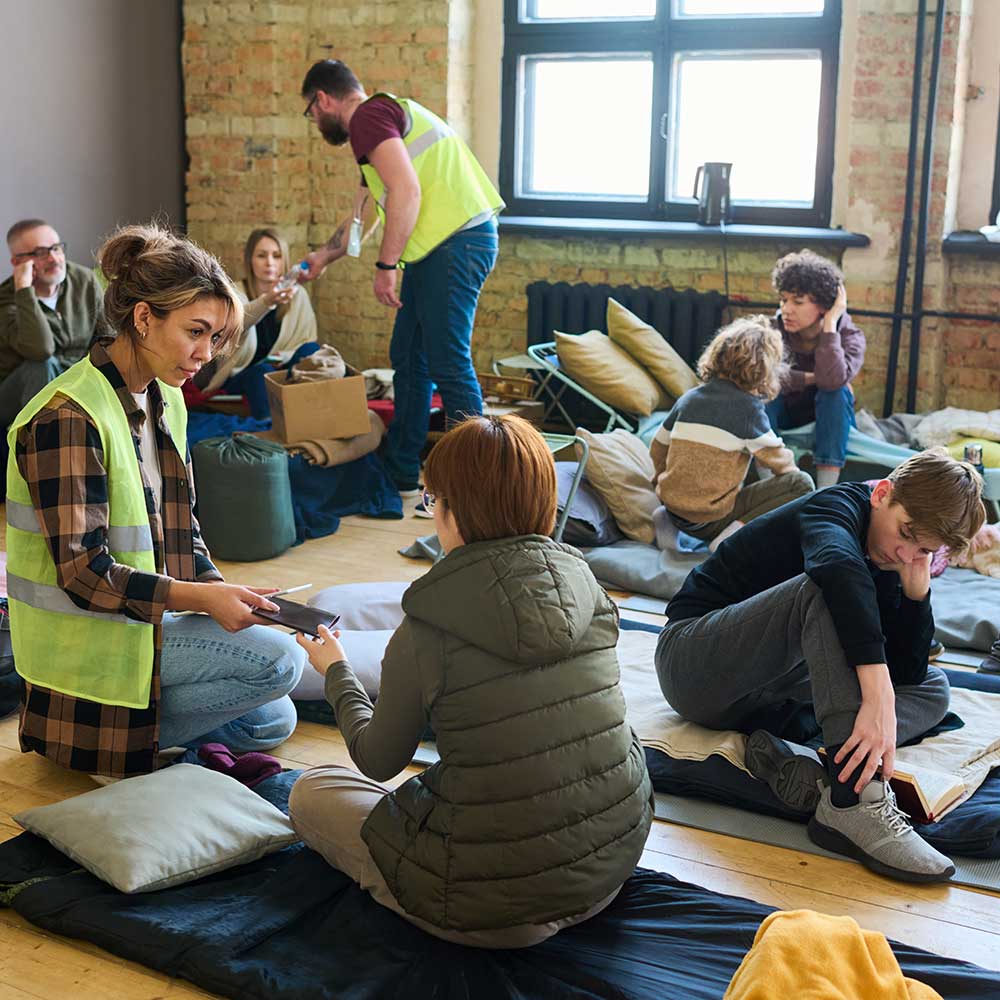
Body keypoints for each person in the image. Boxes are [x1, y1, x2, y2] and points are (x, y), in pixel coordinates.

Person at [288, 414, 653, 947]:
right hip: (611, 867)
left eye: (434, 501)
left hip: (495, 913)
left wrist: (337, 671)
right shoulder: (587, 584)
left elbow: (378, 760)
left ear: (455, 513)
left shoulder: (427, 626)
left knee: (311, 791)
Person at [5, 223, 305, 779]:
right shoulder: (66, 418)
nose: (205, 354)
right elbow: (85, 574)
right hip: (86, 655)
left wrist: (218, 591)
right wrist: (197, 598)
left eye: (215, 338)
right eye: (196, 331)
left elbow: (178, 525)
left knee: (274, 718)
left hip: (137, 627)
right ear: (143, 318)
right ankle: (103, 744)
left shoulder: (165, 395)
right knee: (280, 664)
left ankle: (139, 744)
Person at [655, 449, 984, 883]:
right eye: (906, 534)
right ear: (882, 494)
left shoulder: (896, 560)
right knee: (826, 592)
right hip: (695, 664)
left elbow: (907, 673)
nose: (907, 553)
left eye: (922, 549)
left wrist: (917, 595)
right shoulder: (833, 507)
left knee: (932, 685)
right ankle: (853, 801)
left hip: (769, 694)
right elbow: (836, 569)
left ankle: (815, 760)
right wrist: (876, 686)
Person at [298, 59, 505, 496]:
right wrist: (323, 257)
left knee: (448, 363)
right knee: (410, 359)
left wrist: (386, 267)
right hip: (441, 250)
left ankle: (476, 489)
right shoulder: (379, 125)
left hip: (455, 245)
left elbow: (406, 192)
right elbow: (367, 213)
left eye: (311, 112)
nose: (315, 121)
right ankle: (402, 470)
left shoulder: (370, 117)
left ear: (323, 99)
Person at [650, 314, 814, 551]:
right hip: (711, 520)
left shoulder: (688, 399)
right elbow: (779, 461)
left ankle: (666, 518)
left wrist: (663, 482)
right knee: (801, 483)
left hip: (672, 506)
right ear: (764, 370)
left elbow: (657, 447)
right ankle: (731, 538)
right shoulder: (749, 410)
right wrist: (787, 482)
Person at [197, 227, 320, 418]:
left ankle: (312, 418)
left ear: (284, 260)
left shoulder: (297, 295)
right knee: (263, 372)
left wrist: (285, 357)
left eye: (276, 256)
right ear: (250, 260)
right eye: (262, 255)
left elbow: (306, 340)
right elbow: (236, 323)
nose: (269, 262)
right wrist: (267, 302)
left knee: (312, 350)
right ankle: (270, 429)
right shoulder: (234, 293)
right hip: (242, 376)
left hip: (284, 371)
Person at [767, 250, 866, 489]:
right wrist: (815, 378)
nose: (786, 309)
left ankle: (824, 492)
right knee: (763, 390)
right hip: (786, 416)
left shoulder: (850, 336)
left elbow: (832, 382)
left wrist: (830, 326)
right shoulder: (772, 330)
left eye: (797, 302)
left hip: (831, 419)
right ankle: (768, 487)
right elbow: (764, 375)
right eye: (783, 300)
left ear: (824, 305)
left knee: (836, 392)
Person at [0, 219, 111, 428]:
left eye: (56, 248)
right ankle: (41, 441)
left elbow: (108, 337)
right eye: (40, 253)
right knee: (42, 365)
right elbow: (40, 349)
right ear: (17, 262)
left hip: (74, 383)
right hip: (17, 394)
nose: (53, 258)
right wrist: (24, 291)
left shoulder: (83, 280)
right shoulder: (6, 299)